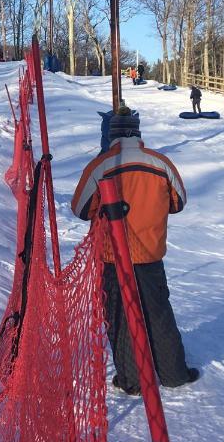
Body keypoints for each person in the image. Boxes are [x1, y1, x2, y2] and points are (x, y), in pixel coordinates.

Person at [71, 107, 200, 395]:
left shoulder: (101, 165)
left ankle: (132, 379)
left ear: (112, 133)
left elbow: (80, 208)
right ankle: (174, 373)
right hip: (150, 253)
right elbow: (178, 202)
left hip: (112, 254)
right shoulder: (160, 162)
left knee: (120, 315)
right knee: (158, 312)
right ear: (138, 133)